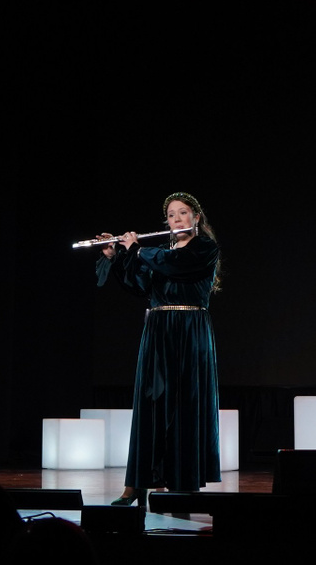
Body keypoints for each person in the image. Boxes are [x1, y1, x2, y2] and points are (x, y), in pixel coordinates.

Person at [95, 192, 222, 505]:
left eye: (183, 212)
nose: (176, 219)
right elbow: (139, 286)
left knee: (184, 405)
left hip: (190, 331)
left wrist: (137, 249)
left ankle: (182, 483)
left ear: (196, 217)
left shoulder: (205, 249)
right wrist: (116, 256)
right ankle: (137, 484)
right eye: (171, 215)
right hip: (158, 331)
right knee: (151, 404)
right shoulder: (160, 253)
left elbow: (177, 266)